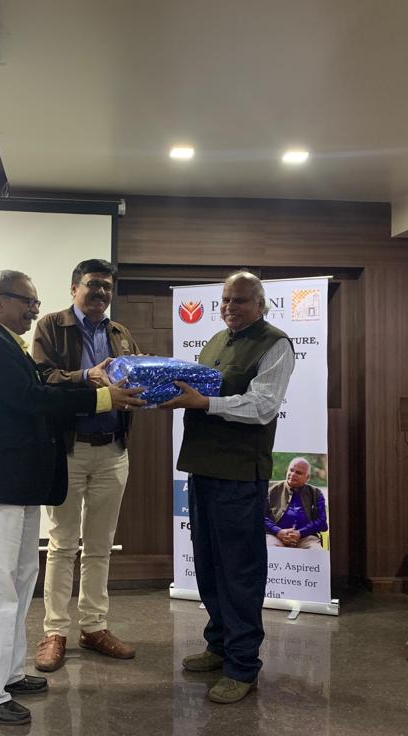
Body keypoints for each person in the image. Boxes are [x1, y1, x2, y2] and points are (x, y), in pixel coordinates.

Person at [0, 269, 144, 727]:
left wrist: (95, 382)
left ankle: (7, 674)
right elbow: (33, 398)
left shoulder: (10, 344)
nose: (34, 310)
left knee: (20, 581)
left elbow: (44, 385)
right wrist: (103, 400)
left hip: (19, 484)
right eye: (27, 302)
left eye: (37, 303)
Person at [160, 271, 295, 705]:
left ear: (260, 304)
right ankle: (218, 645)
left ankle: (242, 666)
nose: (229, 307)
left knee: (239, 571)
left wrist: (205, 403)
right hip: (202, 468)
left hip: (239, 474)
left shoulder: (275, 343)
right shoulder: (216, 341)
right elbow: (199, 390)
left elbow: (263, 405)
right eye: (224, 300)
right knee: (208, 564)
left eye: (239, 300)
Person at [30, 258, 142, 672]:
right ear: (74, 287)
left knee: (100, 546)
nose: (101, 293)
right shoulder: (51, 325)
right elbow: (40, 378)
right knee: (63, 544)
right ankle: (55, 632)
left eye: (107, 287)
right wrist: (85, 376)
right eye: (94, 285)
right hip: (69, 450)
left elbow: (134, 376)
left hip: (114, 450)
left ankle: (94, 627)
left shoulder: (120, 332)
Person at [265, 457, 327, 549]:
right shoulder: (270, 489)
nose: (293, 474)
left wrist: (300, 533)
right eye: (291, 470)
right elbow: (260, 516)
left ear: (307, 477)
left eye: (298, 473)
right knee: (271, 549)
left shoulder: (316, 493)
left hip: (306, 537)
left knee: (315, 550)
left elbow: (322, 521)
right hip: (275, 536)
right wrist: (278, 531)